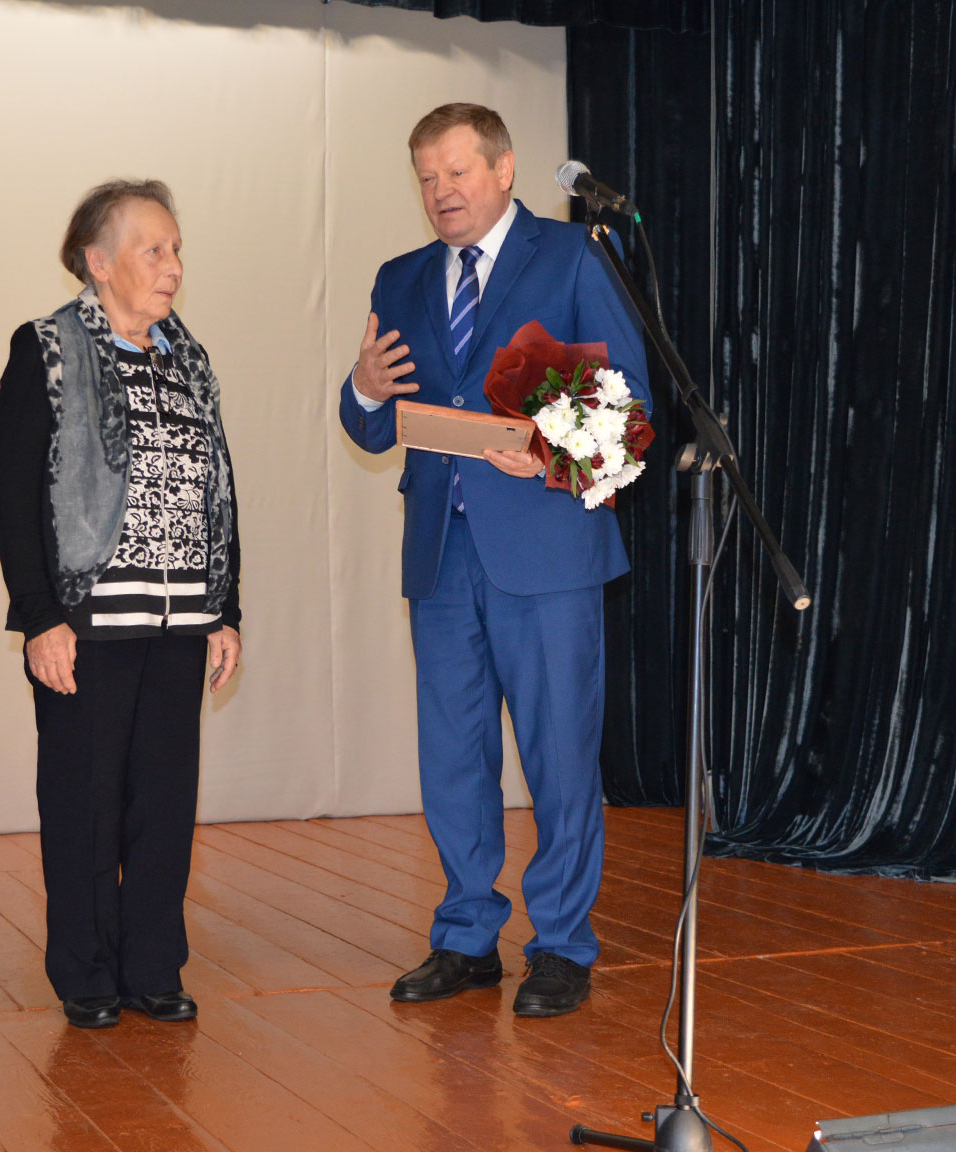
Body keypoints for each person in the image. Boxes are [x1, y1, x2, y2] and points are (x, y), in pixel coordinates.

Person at [339, 103, 649, 1016]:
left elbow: (629, 406)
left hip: (547, 549)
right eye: (426, 179)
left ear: (505, 169)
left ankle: (562, 944)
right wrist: (361, 389)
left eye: (457, 172)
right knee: (453, 757)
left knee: (560, 756)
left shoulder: (575, 255)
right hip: (442, 553)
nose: (441, 192)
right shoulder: (399, 279)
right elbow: (372, 423)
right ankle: (467, 936)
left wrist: (548, 450)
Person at [0, 179, 242, 1028]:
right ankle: (87, 972)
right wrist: (39, 615)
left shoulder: (188, 358)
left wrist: (224, 607)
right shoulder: (47, 348)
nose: (173, 267)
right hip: (86, 625)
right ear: (98, 263)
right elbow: (10, 489)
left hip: (178, 624)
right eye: (153, 250)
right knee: (85, 805)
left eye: (177, 250)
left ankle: (153, 966)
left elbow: (215, 486)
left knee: (163, 806)